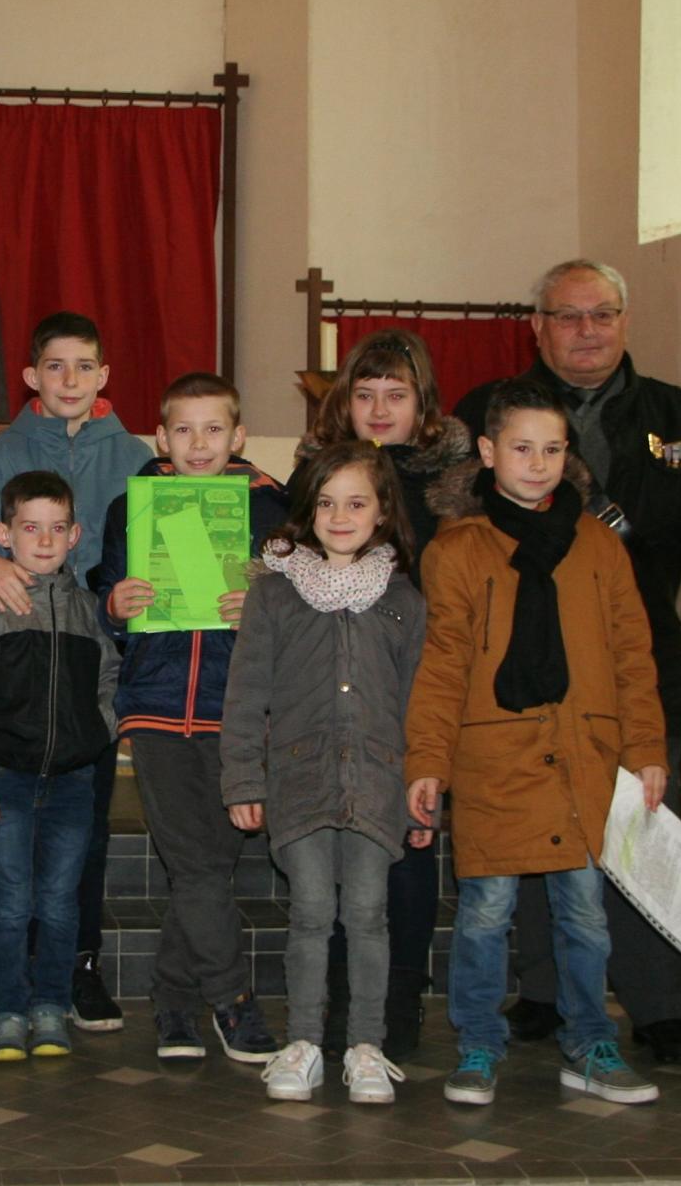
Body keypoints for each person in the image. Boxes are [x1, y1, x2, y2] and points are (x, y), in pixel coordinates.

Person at [451, 259, 681, 1062]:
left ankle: (658, 1005)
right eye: (567, 316)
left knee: (638, 830)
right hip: (523, 665)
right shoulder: (483, 411)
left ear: (625, 320)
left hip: (638, 657)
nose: (587, 330)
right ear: (538, 326)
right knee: (531, 830)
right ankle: (546, 993)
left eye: (602, 314)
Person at [405, 379, 667, 1108]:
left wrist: (645, 747)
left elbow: (631, 653)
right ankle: (479, 1044)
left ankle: (590, 1043)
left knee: (584, 912)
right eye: (522, 448)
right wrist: (427, 761)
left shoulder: (598, 545)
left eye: (553, 449)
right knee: (485, 911)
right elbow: (443, 664)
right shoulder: (456, 550)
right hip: (495, 759)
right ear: (489, 453)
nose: (539, 462)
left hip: (583, 754)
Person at [0, 312, 152, 1032]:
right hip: (15, 663)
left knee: (86, 835)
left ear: (103, 376)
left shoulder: (132, 454)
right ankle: (22, 978)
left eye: (84, 367)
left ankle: (78, 968)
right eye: (55, 367)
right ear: (31, 375)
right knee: (15, 857)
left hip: (87, 658)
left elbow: (145, 547)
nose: (69, 381)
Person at [221, 442, 428, 1104]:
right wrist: (244, 781)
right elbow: (246, 694)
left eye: (357, 502)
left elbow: (420, 704)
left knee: (368, 913)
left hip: (378, 782)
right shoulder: (275, 595)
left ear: (382, 511)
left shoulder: (403, 600)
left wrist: (426, 795)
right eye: (327, 502)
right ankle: (304, 1041)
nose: (341, 516)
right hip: (300, 782)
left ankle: (366, 1045)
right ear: (307, 510)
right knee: (310, 910)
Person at [91, 372, 288, 1064]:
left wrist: (264, 598)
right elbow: (105, 601)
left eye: (213, 429)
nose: (198, 443)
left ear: (237, 436)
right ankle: (234, 1003)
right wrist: (116, 606)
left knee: (204, 868)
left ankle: (173, 1001)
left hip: (239, 712)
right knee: (198, 866)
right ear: (161, 438)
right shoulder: (130, 508)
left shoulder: (276, 512)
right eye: (183, 429)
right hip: (156, 706)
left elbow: (303, 606)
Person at [296, 329, 474, 1060]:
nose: (378, 408)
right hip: (334, 694)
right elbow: (287, 561)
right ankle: (338, 1007)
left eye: (395, 395)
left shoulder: (457, 483)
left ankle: (397, 1004)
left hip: (418, 685)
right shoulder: (316, 472)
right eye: (364, 394)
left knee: (407, 851)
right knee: (337, 858)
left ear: (422, 403)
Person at [0, 472, 120, 1063]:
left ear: (75, 535)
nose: (44, 540)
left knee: (58, 901)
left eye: (56, 528)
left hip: (73, 781)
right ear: (4, 533)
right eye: (30, 528)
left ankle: (50, 1005)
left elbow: (107, 680)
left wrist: (99, 730)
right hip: (6, 781)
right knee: (12, 902)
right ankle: (8, 1011)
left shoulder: (88, 611)